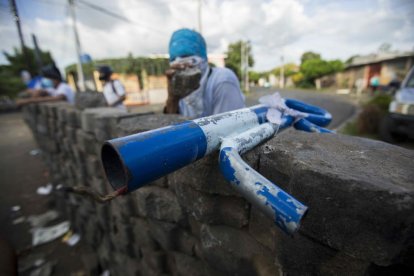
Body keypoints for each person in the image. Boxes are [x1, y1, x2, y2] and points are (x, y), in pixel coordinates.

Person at [164, 28, 245, 118]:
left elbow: (226, 128)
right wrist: (172, 99)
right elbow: (171, 125)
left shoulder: (223, 79)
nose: (180, 62)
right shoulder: (181, 88)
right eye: (173, 59)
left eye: (186, 56)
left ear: (202, 57)